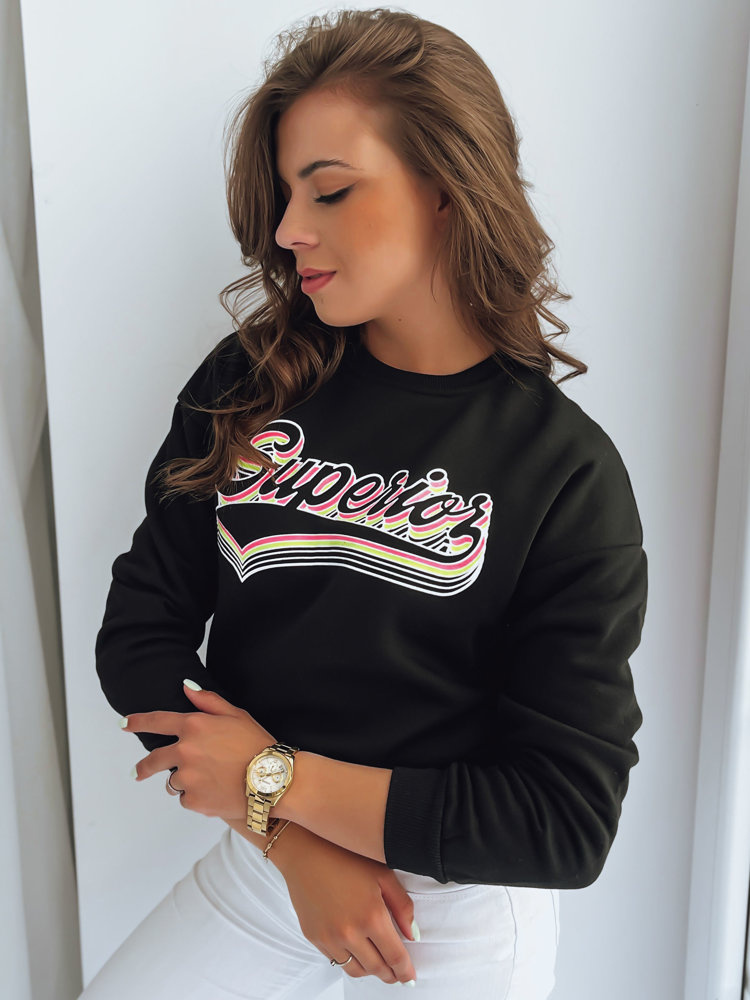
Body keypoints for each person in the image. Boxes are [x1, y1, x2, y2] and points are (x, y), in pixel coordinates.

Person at [83, 7, 648, 999]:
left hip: (454, 918)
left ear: (447, 187)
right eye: (286, 194)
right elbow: (141, 631)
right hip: (269, 867)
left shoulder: (565, 473)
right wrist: (288, 836)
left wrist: (275, 777)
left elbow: (563, 821)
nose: (288, 230)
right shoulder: (249, 383)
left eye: (331, 189)